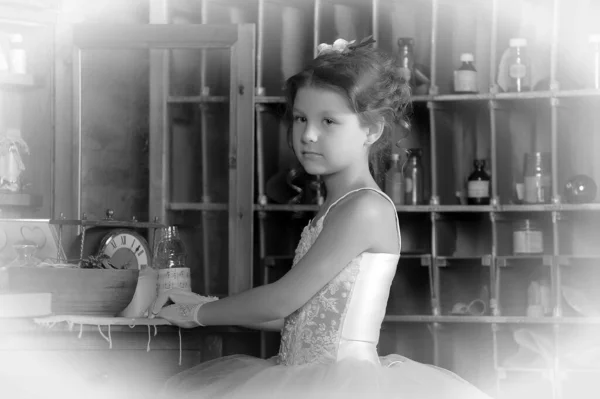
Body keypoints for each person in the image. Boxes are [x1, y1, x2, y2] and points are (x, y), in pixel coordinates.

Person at [150, 37, 493, 399]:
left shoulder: (365, 208)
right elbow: (291, 317)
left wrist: (199, 312)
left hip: (341, 383)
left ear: (372, 130)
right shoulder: (334, 206)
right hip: (299, 377)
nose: (308, 135)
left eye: (328, 121)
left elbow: (282, 300)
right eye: (300, 118)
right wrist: (199, 302)